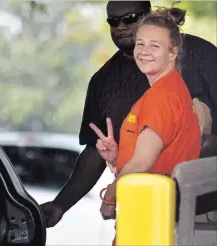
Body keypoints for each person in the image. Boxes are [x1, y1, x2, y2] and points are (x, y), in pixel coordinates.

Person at [41, 1, 217, 228]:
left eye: (130, 17)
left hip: (203, 209)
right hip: (143, 208)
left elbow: (145, 157)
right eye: (113, 21)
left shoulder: (198, 56)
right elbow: (99, 150)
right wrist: (61, 204)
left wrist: (110, 196)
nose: (121, 26)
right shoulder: (105, 80)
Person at [89, 7, 201, 244]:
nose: (144, 52)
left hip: (149, 220)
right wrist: (116, 156)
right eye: (141, 44)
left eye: (155, 46)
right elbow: (151, 155)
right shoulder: (171, 89)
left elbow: (142, 163)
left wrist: (110, 196)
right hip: (152, 216)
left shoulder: (163, 97)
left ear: (173, 53)